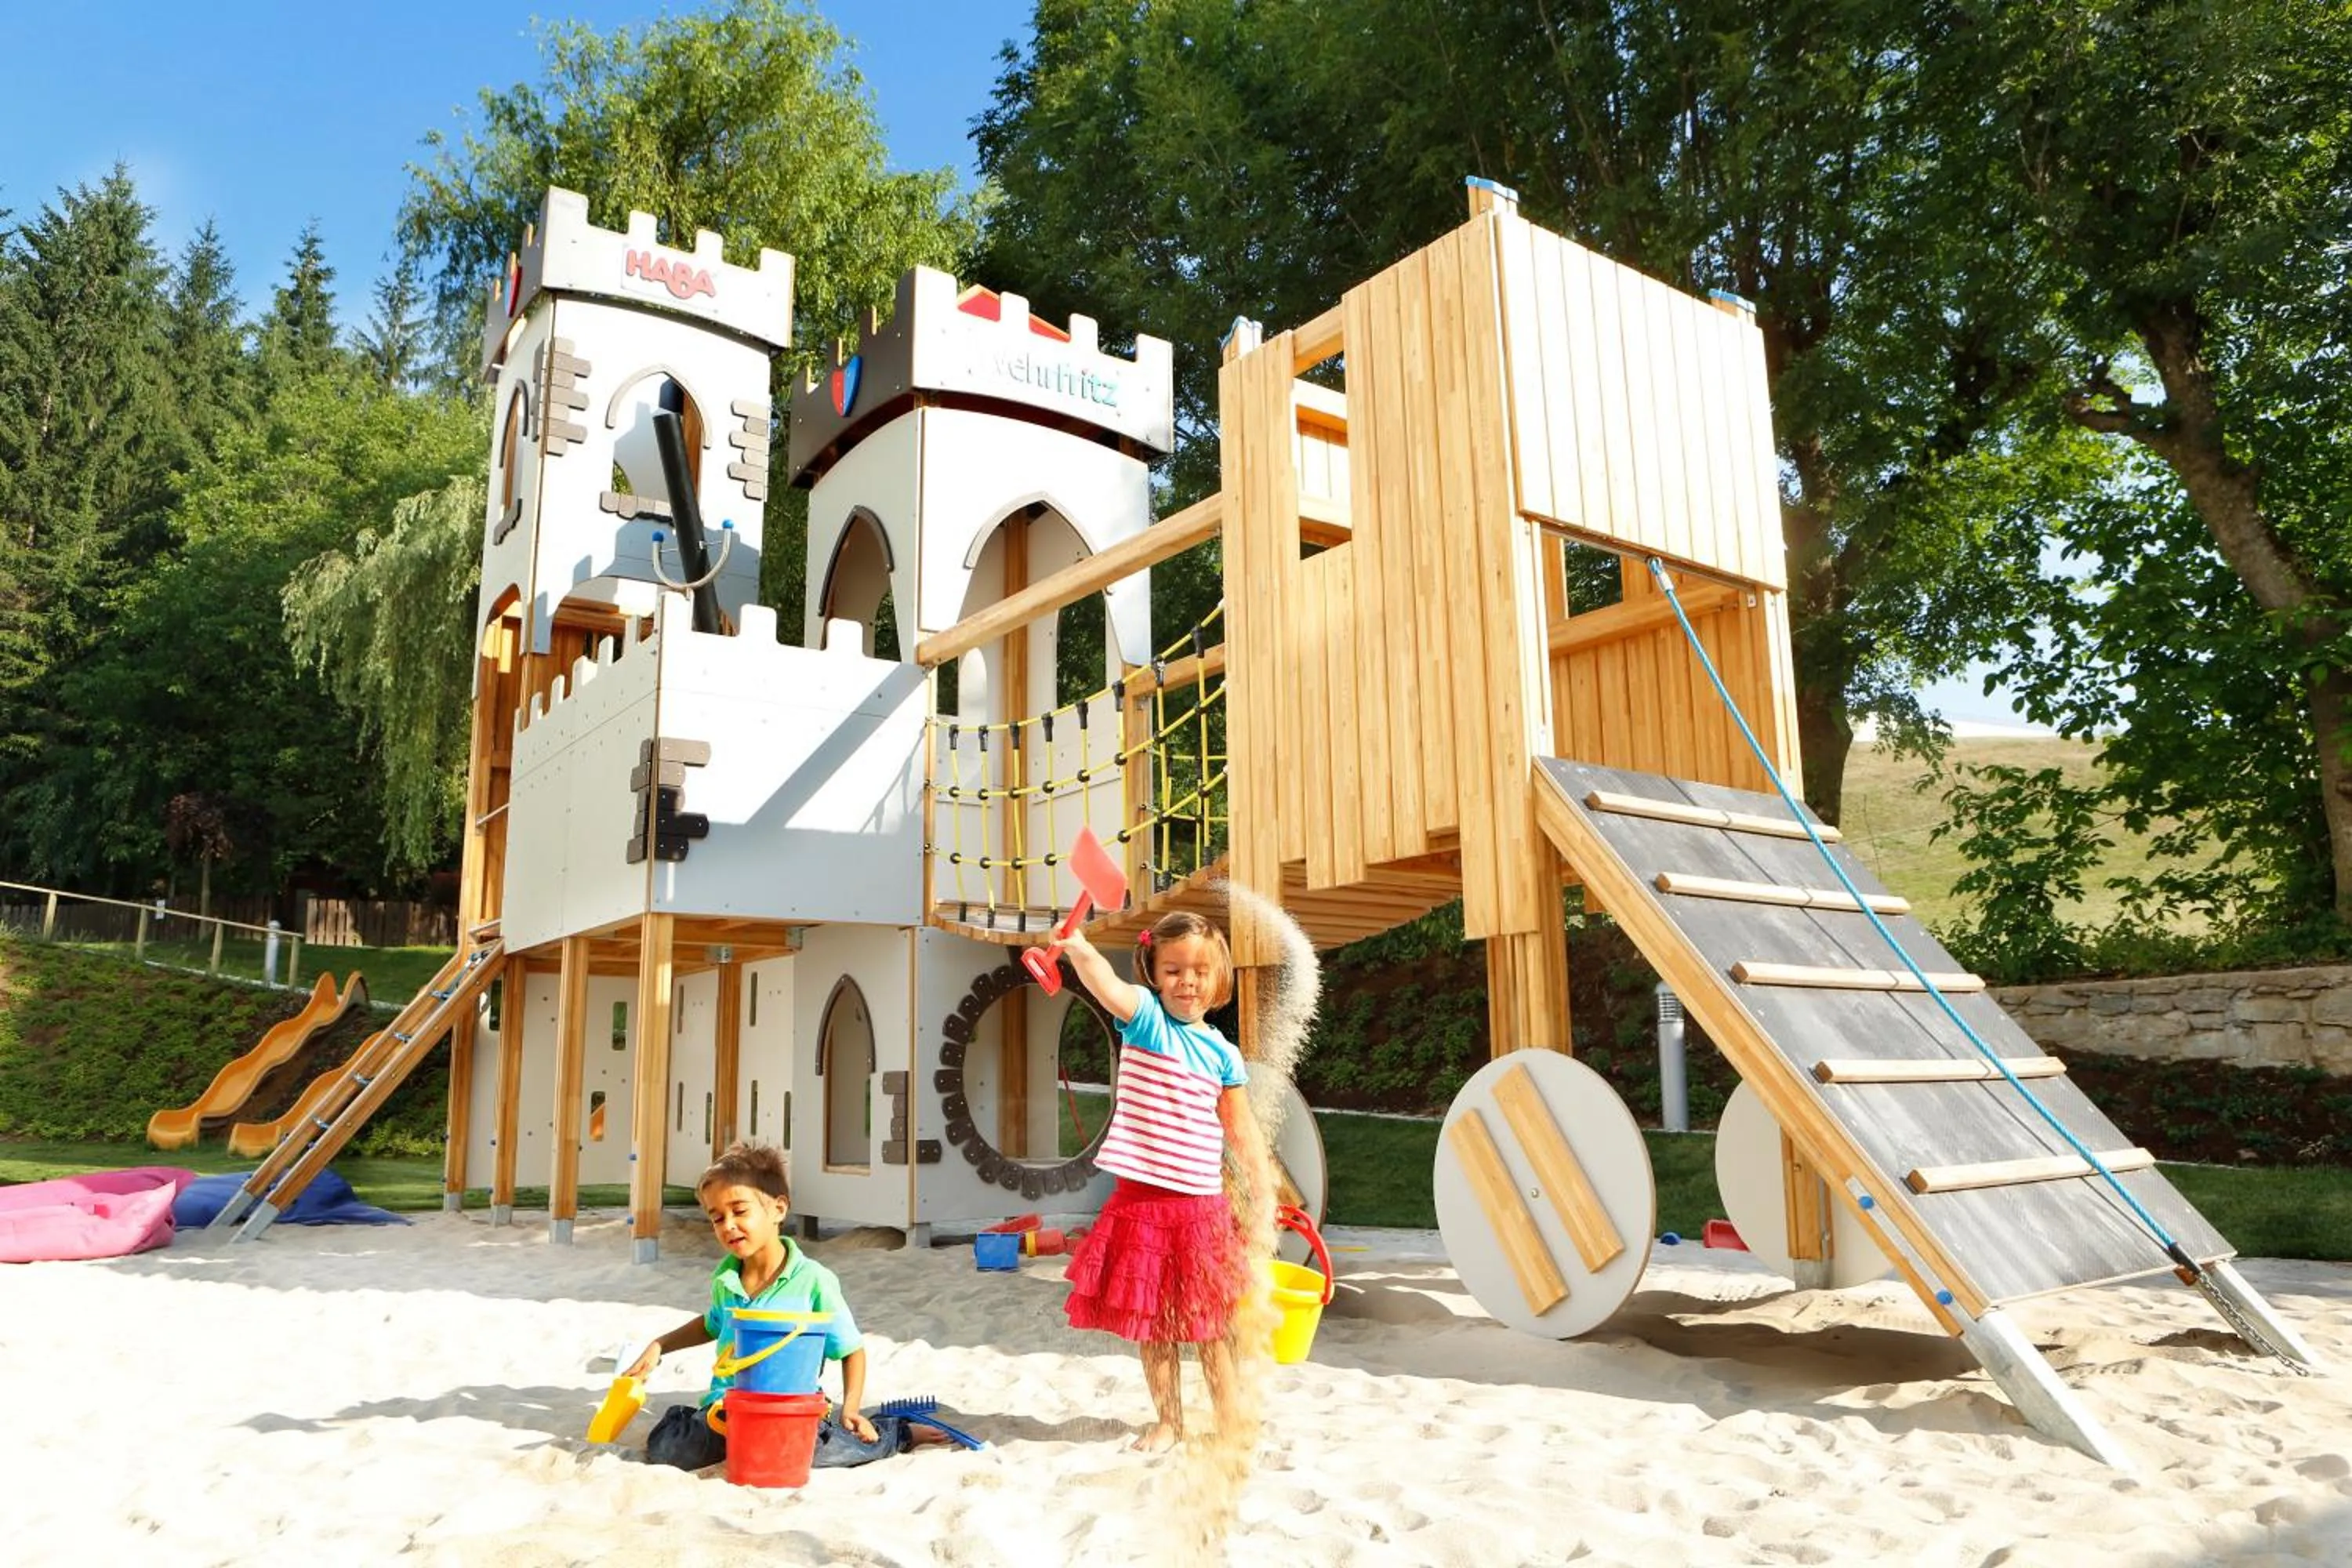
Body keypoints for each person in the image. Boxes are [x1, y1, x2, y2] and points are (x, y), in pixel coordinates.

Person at [1046, 909, 1276, 1454]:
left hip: (1200, 1210)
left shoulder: (1223, 1054)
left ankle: (1229, 1422)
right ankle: (1169, 1421)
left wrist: (1263, 1188)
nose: (1186, 982)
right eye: (1173, 971)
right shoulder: (1147, 1020)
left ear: (1219, 978)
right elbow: (1105, 984)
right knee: (1154, 1326)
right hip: (1141, 1207)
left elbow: (1241, 1128)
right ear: (1153, 972)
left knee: (1210, 1326)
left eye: (1199, 971)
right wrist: (1078, 947)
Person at [626, 1141, 937, 1472]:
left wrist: (850, 1408)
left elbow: (851, 1350)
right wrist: (660, 1345)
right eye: (717, 1218)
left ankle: (899, 1432)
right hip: (728, 1409)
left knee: (824, 1452)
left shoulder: (813, 1281)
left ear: (778, 1209)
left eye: (739, 1211)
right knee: (671, 1450)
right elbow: (711, 1324)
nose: (728, 1225)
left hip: (789, 1412)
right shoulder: (725, 1279)